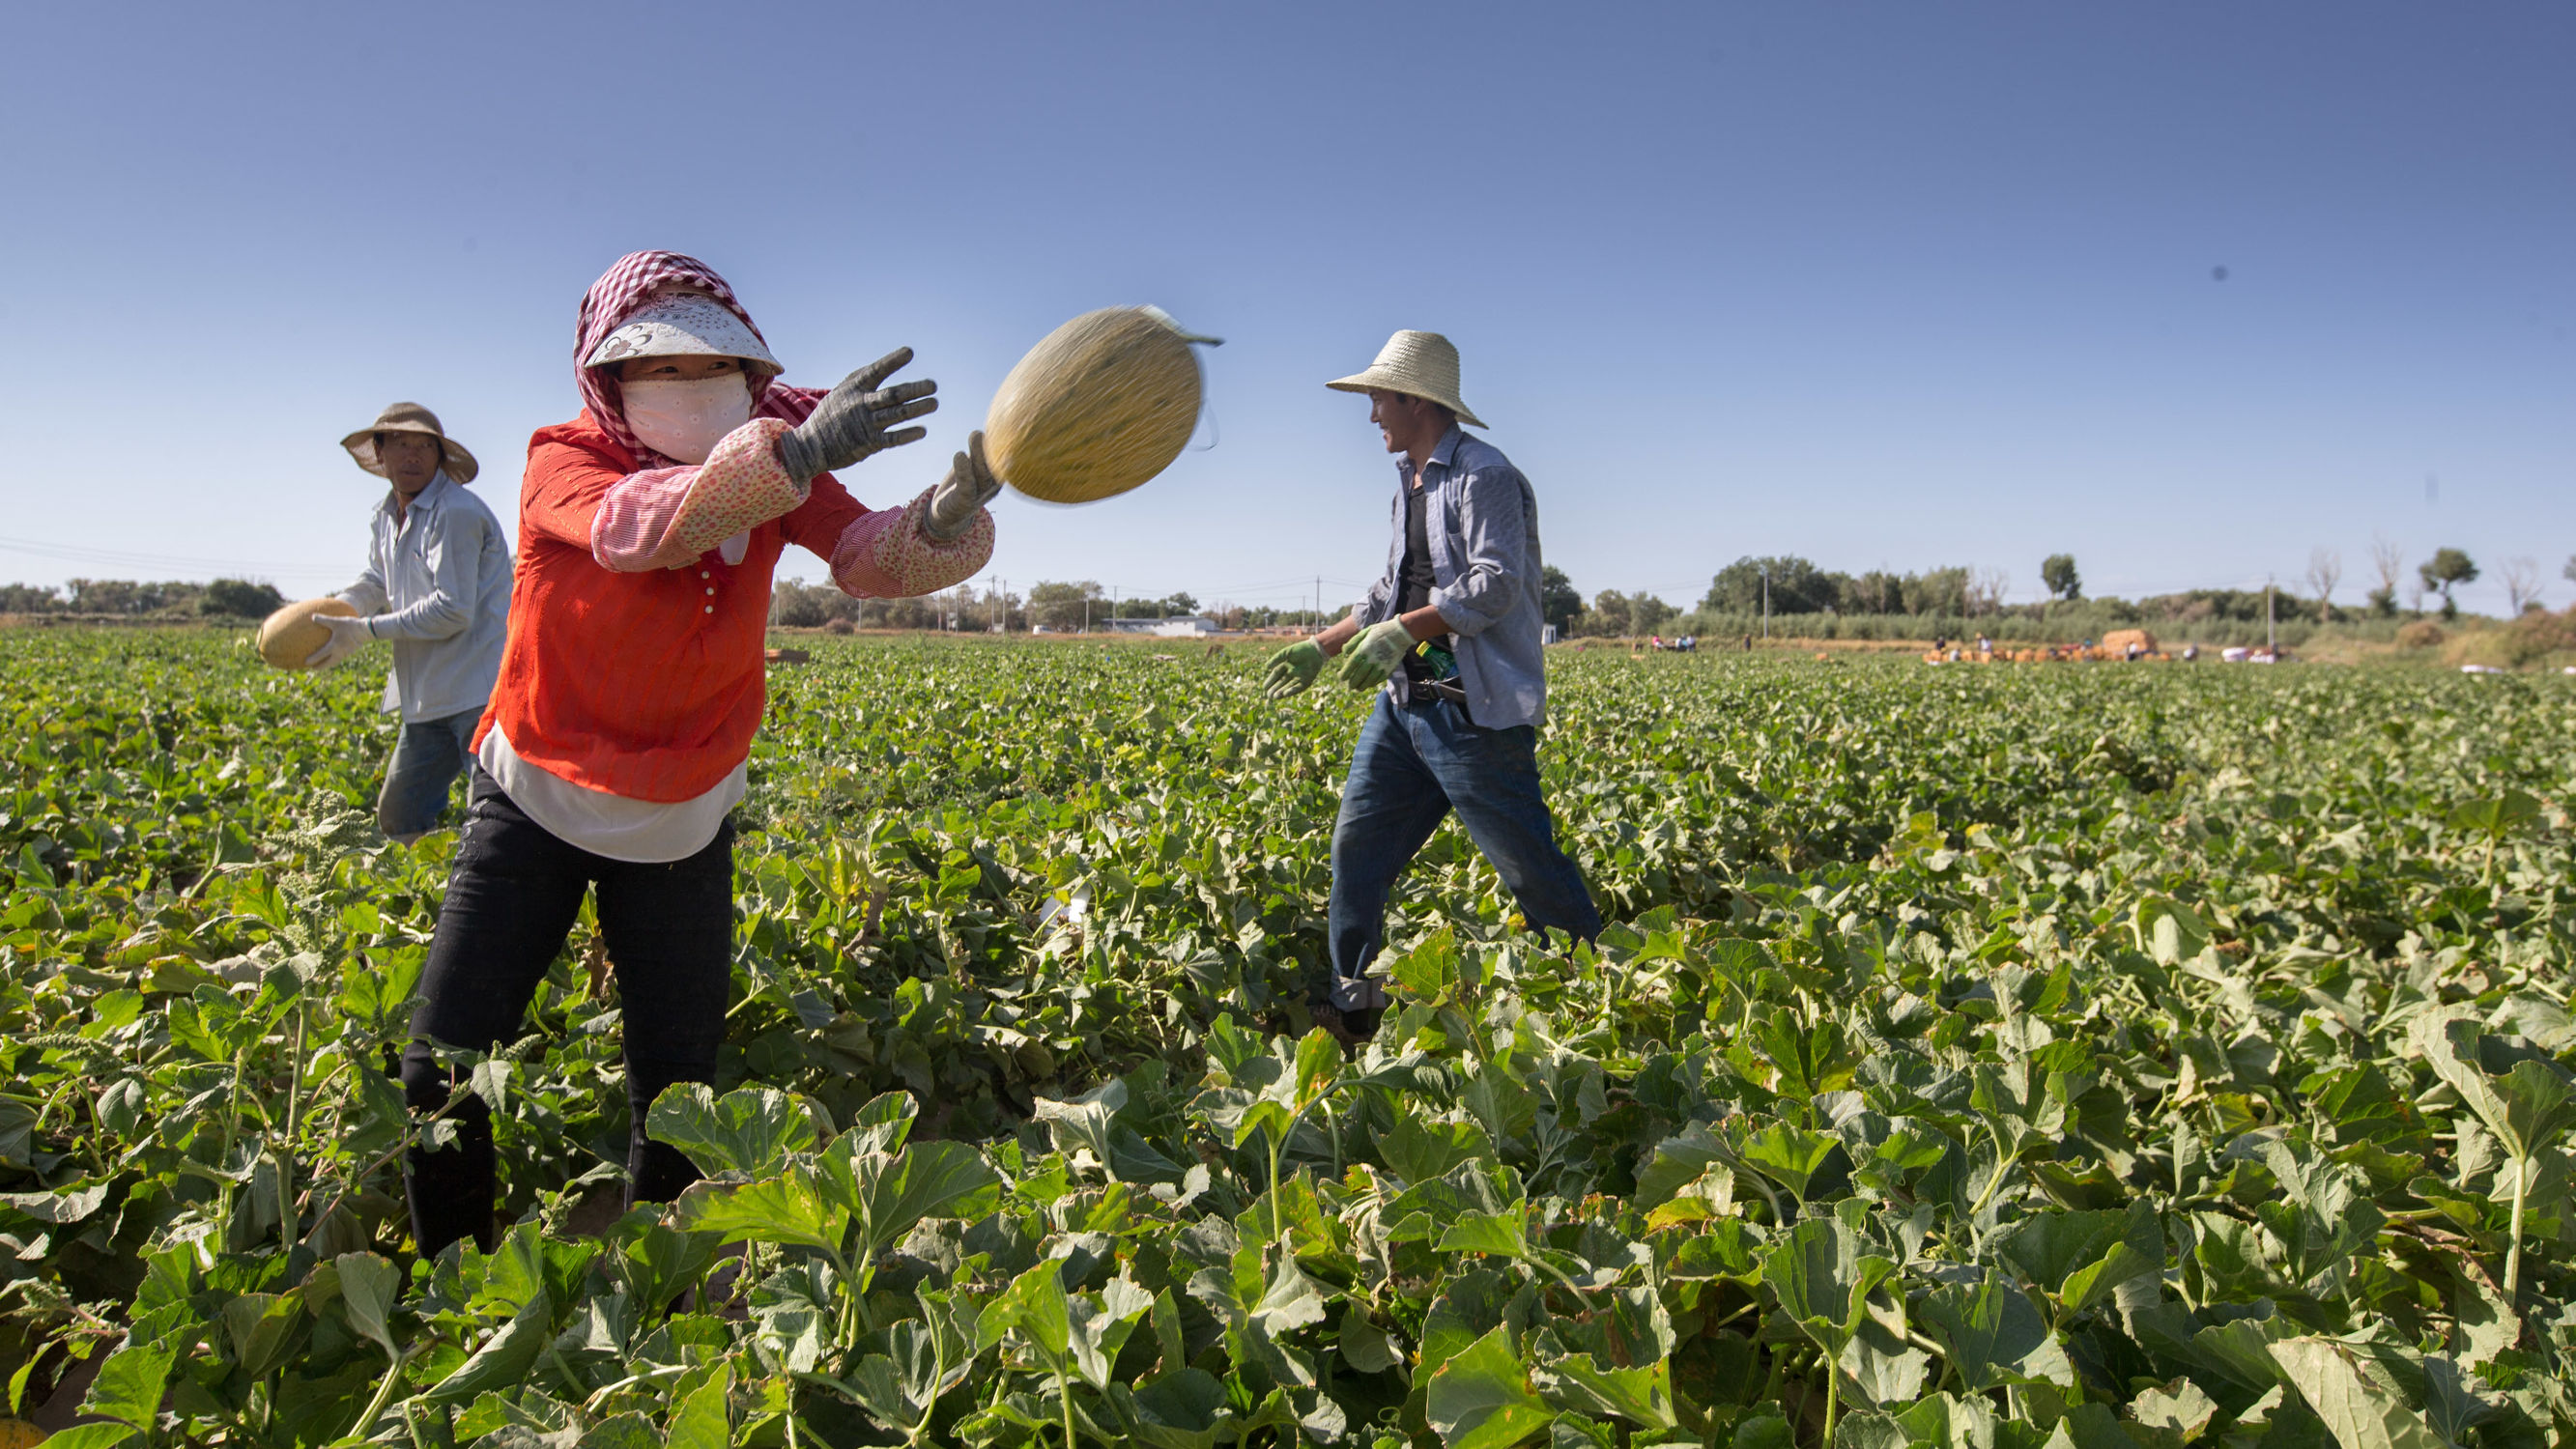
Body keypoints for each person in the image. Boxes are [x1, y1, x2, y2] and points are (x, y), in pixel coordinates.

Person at [398, 252, 1001, 1256]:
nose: (688, 390)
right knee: (443, 1060)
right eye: (659, 371)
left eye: (713, 371)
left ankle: (654, 1292)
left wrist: (939, 518)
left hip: (682, 811)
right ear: (608, 379)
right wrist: (794, 457)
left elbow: (864, 555)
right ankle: (446, 1275)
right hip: (534, 796)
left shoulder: (775, 468)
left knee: (677, 1092)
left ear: (751, 380)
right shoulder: (565, 459)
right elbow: (643, 530)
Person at [1262, 330, 1600, 1043]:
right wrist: (1323, 646)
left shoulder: (1484, 475)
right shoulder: (1409, 482)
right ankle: (1352, 1011)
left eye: (1379, 398)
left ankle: (1598, 999)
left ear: (1415, 398)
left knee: (1531, 871)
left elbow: (1496, 584)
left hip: (1471, 715)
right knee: (1356, 854)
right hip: (1403, 711)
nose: (1372, 414)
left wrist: (1412, 627)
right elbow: (1390, 590)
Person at [309, 404, 511, 841]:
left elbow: (453, 610)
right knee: (400, 815)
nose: (412, 456)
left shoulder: (454, 512)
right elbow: (377, 579)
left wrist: (365, 631)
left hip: (481, 694)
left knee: (498, 821)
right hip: (427, 700)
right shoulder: (385, 516)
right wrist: (341, 611)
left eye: (424, 446)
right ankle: (424, 898)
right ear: (380, 453)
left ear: (440, 457)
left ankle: (486, 901)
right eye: (400, 445)